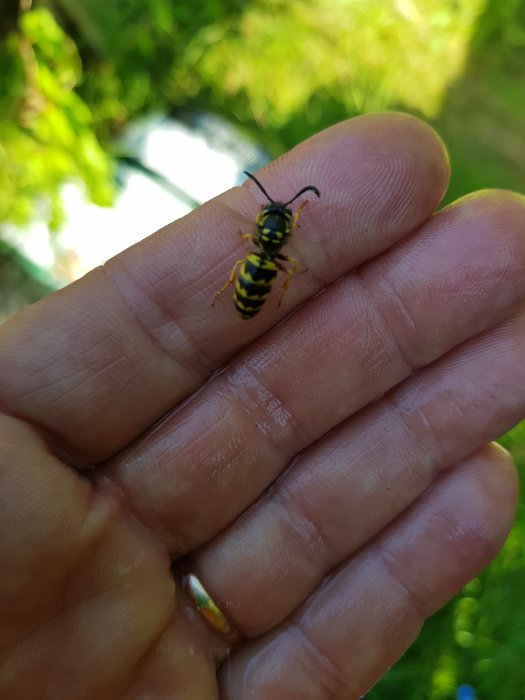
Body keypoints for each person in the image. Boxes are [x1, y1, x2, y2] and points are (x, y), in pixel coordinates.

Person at [0, 112, 523, 699]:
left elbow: (265, 249)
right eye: (274, 219)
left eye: (276, 220)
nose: (272, 226)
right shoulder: (274, 248)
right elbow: (276, 255)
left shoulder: (261, 244)